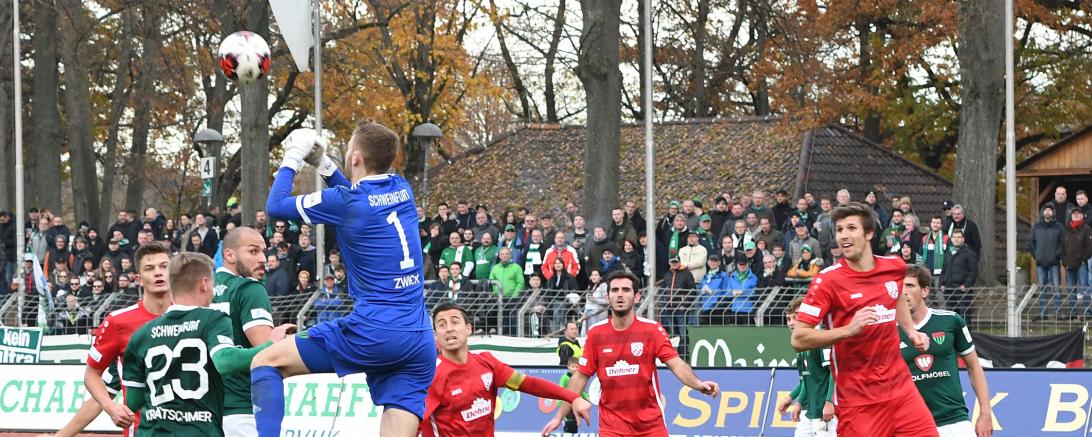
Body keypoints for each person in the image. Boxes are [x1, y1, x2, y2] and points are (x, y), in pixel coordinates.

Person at [255, 123, 436, 437]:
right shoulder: (401, 187)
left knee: (265, 362)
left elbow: (275, 206)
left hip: (376, 330)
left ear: (354, 158)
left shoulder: (346, 202)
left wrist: (293, 157)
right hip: (418, 337)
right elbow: (359, 196)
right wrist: (324, 164)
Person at [791, 202, 935, 437]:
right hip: (858, 402)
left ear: (869, 233)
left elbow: (896, 295)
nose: (844, 236)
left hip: (901, 391)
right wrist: (848, 330)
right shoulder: (827, 281)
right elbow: (799, 338)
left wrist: (910, 330)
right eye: (839, 230)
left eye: (851, 228)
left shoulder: (894, 266)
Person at [121, 252, 294, 436]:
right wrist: (270, 346)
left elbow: (133, 400)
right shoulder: (212, 319)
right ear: (204, 284)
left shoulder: (142, 334)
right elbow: (224, 360)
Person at [542, 271, 719, 436]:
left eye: (626, 290)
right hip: (612, 427)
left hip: (650, 426)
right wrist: (558, 417)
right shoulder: (596, 334)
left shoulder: (652, 330)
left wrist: (698, 383)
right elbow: (579, 379)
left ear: (636, 297)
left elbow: (676, 363)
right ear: (607, 296)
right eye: (615, 290)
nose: (620, 294)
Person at [421, 302, 590, 436]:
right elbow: (412, 424)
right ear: (435, 335)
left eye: (455, 322)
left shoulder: (487, 363)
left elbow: (528, 383)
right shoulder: (431, 377)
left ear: (468, 328)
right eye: (441, 325)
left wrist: (573, 397)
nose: (449, 328)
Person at [82, 242, 174, 435]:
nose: (158, 273)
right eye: (150, 268)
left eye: (164, 266)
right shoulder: (118, 322)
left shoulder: (199, 316)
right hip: (143, 431)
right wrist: (110, 407)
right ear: (139, 279)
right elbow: (92, 374)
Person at [901, 265, 993, 437]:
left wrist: (986, 412)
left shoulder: (950, 321)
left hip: (954, 421)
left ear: (925, 291)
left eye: (910, 286)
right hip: (911, 426)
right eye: (900, 286)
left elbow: (974, 367)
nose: (904, 292)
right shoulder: (890, 331)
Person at [211, 227, 276, 436]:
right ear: (229, 255)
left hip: (201, 412)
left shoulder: (200, 290)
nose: (263, 258)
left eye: (264, 251)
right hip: (240, 408)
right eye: (253, 251)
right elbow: (267, 355)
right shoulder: (249, 289)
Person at [776, 296, 836, 437]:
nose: (791, 322)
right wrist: (795, 401)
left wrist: (829, 402)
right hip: (810, 411)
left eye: (796, 316)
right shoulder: (801, 346)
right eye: (788, 319)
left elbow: (834, 373)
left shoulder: (820, 338)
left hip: (825, 410)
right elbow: (806, 379)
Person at [1029, 205, 1064, 319]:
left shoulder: (1059, 227)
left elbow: (1063, 243)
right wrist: (1036, 255)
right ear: (1043, 212)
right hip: (1040, 263)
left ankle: (1057, 313)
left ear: (1053, 213)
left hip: (1054, 263)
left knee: (1056, 289)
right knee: (1042, 289)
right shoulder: (1036, 226)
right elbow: (1031, 243)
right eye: (1046, 210)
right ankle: (1044, 314)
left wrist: (1056, 255)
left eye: (1050, 210)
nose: (1047, 212)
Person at [940, 229, 978, 323]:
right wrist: (941, 284)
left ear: (963, 239)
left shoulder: (970, 254)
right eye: (954, 237)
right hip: (948, 289)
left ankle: (966, 336)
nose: (956, 239)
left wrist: (966, 285)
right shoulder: (948, 254)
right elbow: (943, 270)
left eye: (959, 237)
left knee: (964, 316)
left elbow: (973, 271)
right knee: (950, 316)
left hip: (962, 290)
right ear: (951, 239)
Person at [1061, 208, 1092, 318]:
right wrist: (1064, 262)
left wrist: (1083, 259)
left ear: (1082, 215)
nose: (1076, 215)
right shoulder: (1066, 229)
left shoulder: (1086, 229)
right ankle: (1072, 313)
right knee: (1070, 289)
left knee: (1084, 287)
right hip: (1069, 265)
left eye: (1078, 213)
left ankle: (1088, 312)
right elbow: (1062, 248)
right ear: (1071, 215)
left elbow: (1090, 247)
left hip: (1081, 264)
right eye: (1074, 213)